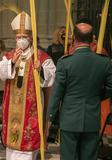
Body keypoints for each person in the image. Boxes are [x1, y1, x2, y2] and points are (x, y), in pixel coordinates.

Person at [0, 12, 56, 160]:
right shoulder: (10, 55)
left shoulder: (41, 57)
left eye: (23, 37)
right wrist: (12, 63)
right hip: (12, 105)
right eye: (18, 37)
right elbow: (0, 70)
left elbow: (52, 76)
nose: (20, 40)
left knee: (29, 142)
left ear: (30, 38)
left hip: (32, 106)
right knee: (12, 143)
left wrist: (40, 69)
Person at [47, 23, 112, 160]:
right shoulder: (104, 62)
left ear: (74, 38)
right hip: (92, 119)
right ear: (91, 39)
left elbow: (57, 93)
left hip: (69, 120)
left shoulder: (65, 62)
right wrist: (96, 96)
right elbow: (110, 87)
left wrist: (50, 117)